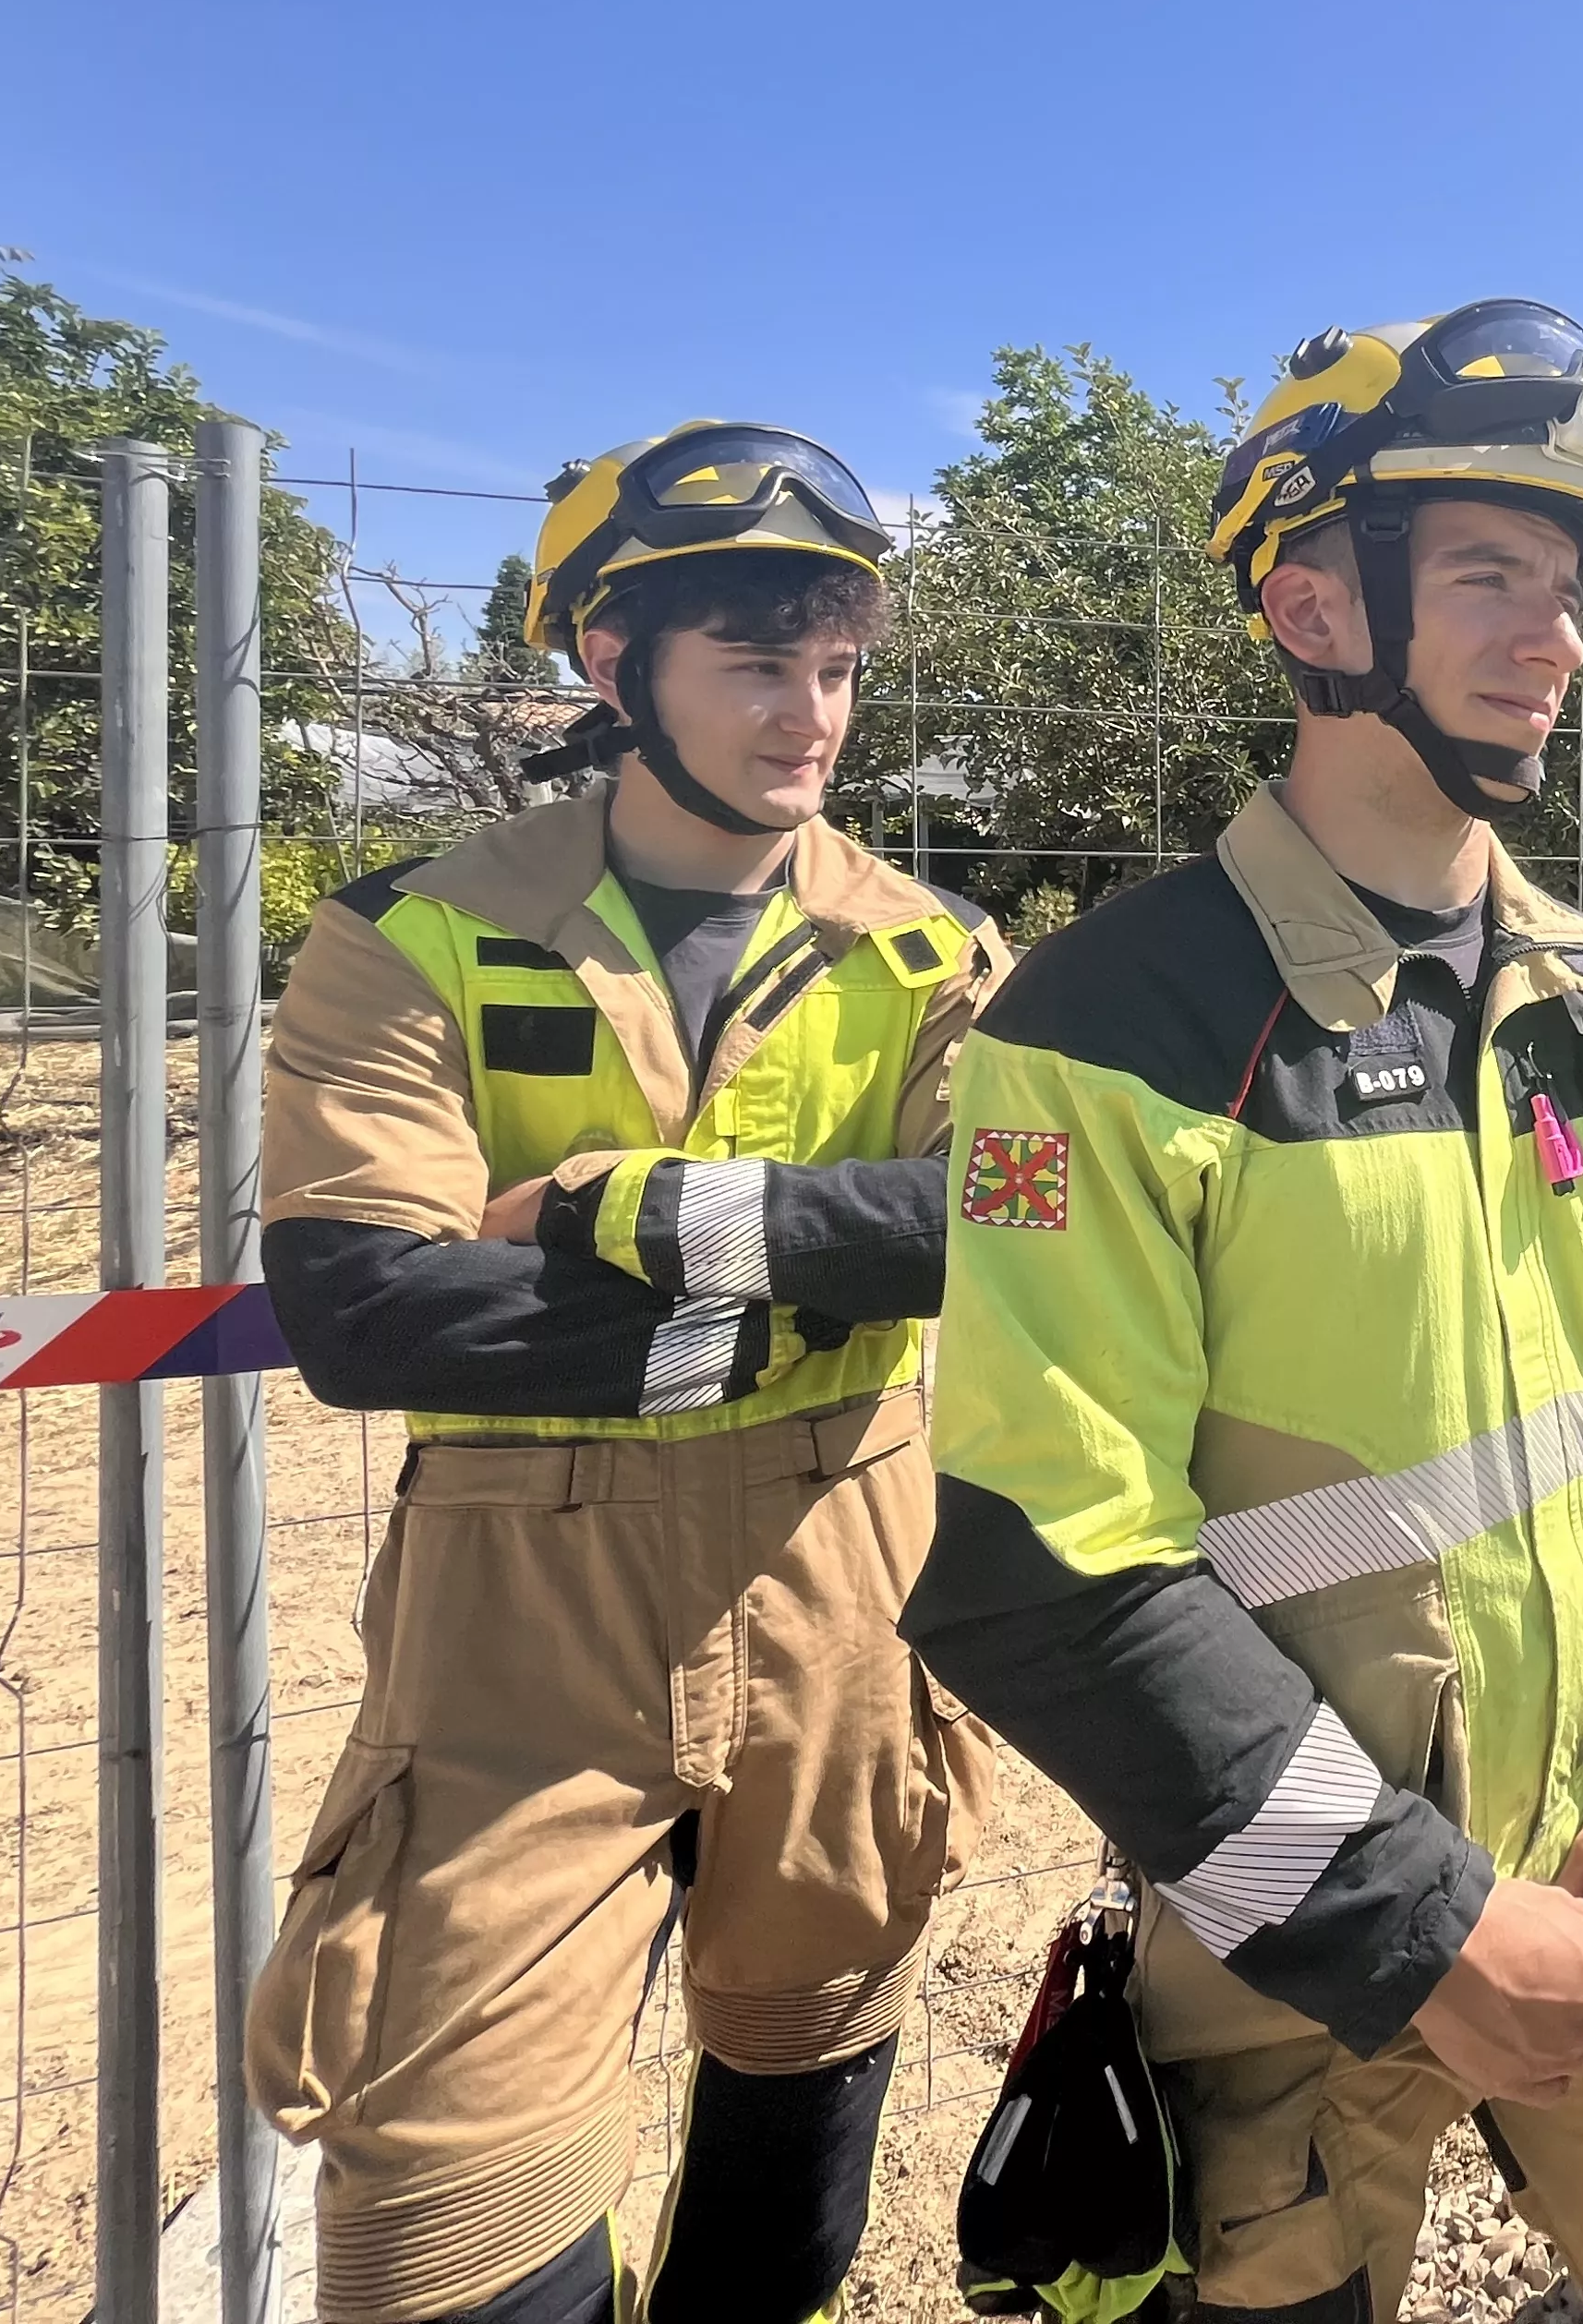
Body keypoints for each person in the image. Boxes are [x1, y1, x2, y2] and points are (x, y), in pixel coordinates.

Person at [900, 303, 1583, 2324]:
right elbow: (1043, 1572)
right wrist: (1422, 1930)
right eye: (1491, 572)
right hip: (1289, 1937)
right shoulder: (1114, 1025)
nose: (1556, 632)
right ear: (1314, 607)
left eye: (1570, 584)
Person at [247, 424, 1010, 2324]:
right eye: (757, 662)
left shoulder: (933, 950)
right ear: (610, 662)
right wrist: (819, 1270)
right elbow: (362, 1313)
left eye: (836, 668)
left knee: (795, 2173)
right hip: (518, 1609)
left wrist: (632, 1220)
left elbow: (992, 1233)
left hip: (846, 1578)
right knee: (452, 2242)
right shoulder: (412, 931)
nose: (809, 716)